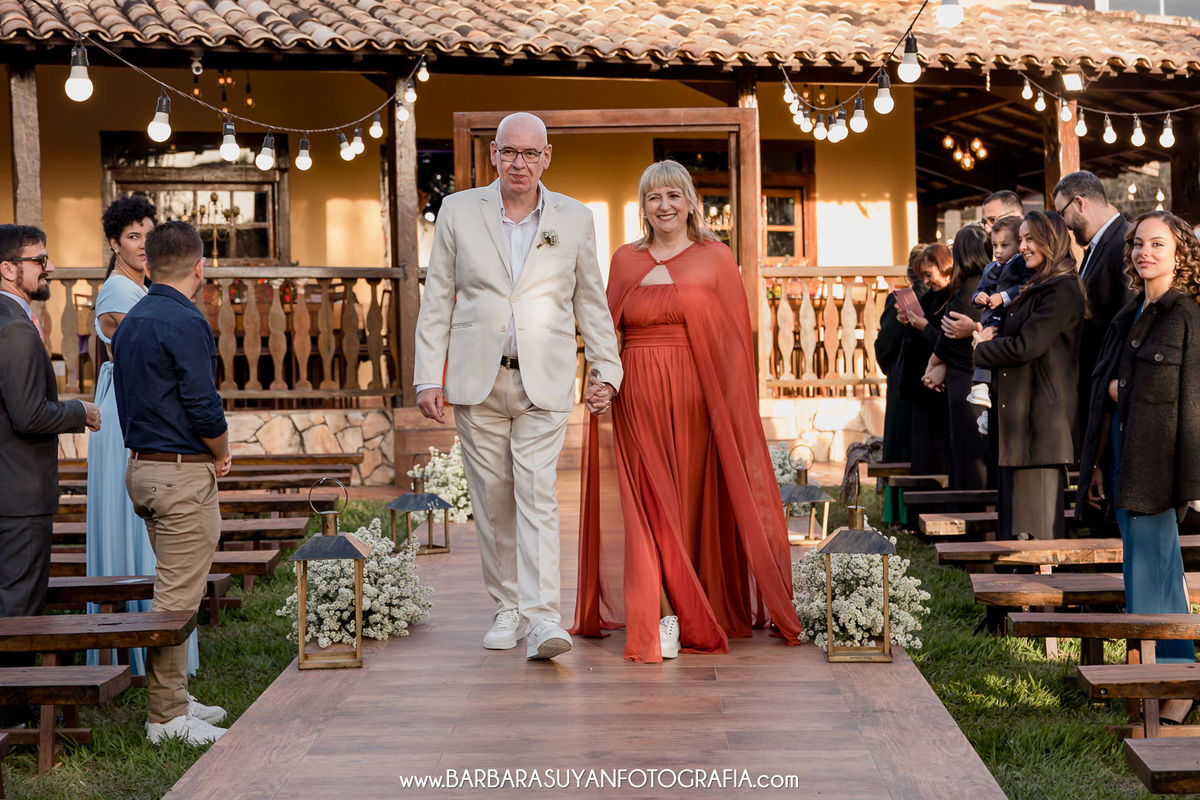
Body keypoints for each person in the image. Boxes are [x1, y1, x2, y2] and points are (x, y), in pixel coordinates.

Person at [413, 112, 623, 661]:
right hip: (476, 382)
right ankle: (507, 607)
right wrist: (428, 375)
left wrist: (606, 369)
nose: (519, 163)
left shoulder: (575, 218)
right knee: (492, 500)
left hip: (543, 381)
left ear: (546, 157)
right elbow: (437, 299)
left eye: (530, 153)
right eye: (509, 152)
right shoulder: (458, 211)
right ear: (494, 155)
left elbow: (590, 300)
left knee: (536, 496)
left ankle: (543, 617)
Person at [572, 160, 802, 662]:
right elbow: (606, 333)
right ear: (643, 206)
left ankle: (691, 604)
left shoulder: (715, 258)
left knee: (688, 507)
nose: (664, 206)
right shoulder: (625, 260)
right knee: (648, 505)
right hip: (637, 401)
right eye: (654, 197)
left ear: (691, 202)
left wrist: (730, 411)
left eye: (674, 195)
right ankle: (662, 617)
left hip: (697, 402)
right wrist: (601, 381)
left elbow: (734, 343)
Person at [1078, 211, 1200, 721]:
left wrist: (1119, 389)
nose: (1144, 252)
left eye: (1158, 244)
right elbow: (1104, 392)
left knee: (1155, 574)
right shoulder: (1129, 313)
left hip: (1159, 465)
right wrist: (1097, 463)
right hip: (1121, 459)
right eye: (1138, 244)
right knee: (1147, 572)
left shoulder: (1186, 315)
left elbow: (1190, 401)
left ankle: (1175, 683)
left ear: (1180, 254)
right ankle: (1172, 675)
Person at [112, 221, 230, 744]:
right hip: (179, 473)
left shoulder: (133, 318)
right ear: (200, 267)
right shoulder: (185, 319)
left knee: (174, 586)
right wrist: (222, 452)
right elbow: (202, 402)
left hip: (142, 467)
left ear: (150, 263)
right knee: (177, 598)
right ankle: (165, 718)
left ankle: (176, 696)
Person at [86, 197, 199, 676]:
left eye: (148, 236)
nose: (142, 245)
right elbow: (151, 356)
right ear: (114, 243)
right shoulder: (117, 293)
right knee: (135, 523)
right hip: (128, 414)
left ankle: (156, 646)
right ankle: (138, 648)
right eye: (133, 237)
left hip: (140, 405)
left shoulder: (143, 289)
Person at [0, 224, 100, 727]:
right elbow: (28, 415)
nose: (51, 268)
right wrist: (80, 411)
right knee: (18, 602)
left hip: (10, 485)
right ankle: (12, 712)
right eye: (40, 260)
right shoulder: (15, 328)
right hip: (18, 491)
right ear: (8, 269)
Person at [974, 211, 1085, 540]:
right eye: (1020, 239)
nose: (1022, 246)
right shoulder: (1035, 285)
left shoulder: (1061, 290)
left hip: (1041, 430)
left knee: (1034, 539)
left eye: (1029, 239)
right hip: (1019, 428)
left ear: (1051, 241)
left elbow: (1026, 346)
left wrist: (982, 348)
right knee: (1013, 536)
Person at [1050, 171, 1133, 455]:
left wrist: (1116, 380)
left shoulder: (1124, 242)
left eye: (1062, 213)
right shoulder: (1097, 246)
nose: (1063, 224)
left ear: (1079, 202)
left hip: (1111, 389)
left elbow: (1126, 320)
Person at [926, 224, 991, 490]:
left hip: (967, 383)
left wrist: (933, 363)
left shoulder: (971, 289)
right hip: (973, 378)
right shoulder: (986, 284)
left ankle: (970, 510)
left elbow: (948, 330)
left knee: (968, 453)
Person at [965, 216, 1033, 429]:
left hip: (1007, 321)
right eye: (994, 245)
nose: (998, 251)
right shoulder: (990, 268)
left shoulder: (1022, 264)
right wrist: (978, 297)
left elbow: (1025, 286)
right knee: (983, 350)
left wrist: (1002, 297)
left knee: (992, 357)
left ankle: (987, 401)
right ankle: (982, 395)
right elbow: (979, 290)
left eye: (1004, 245)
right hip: (989, 320)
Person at [876, 245, 926, 526]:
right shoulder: (943, 297)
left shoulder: (901, 299)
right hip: (930, 380)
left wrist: (889, 367)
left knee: (899, 445)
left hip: (902, 379)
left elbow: (884, 345)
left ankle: (897, 513)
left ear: (908, 275)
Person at [897, 244, 953, 483]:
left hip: (939, 393)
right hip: (921, 390)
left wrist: (925, 327)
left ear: (945, 269)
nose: (926, 282)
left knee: (937, 463)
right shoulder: (930, 298)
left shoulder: (953, 300)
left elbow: (950, 343)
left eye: (929, 275)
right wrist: (909, 323)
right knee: (921, 460)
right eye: (923, 276)